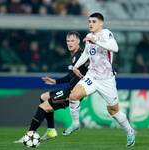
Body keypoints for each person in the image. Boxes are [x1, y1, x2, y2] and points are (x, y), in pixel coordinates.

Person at [62, 13, 137, 147]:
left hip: (106, 79)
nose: (91, 24)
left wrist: (96, 42)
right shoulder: (89, 36)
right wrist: (76, 66)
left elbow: (115, 48)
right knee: (73, 96)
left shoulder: (106, 33)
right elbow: (86, 54)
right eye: (89, 21)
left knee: (114, 112)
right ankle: (75, 124)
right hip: (92, 76)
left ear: (101, 23)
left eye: (94, 21)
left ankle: (130, 132)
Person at [14, 31, 89, 143]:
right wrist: (55, 81)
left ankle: (29, 135)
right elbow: (70, 76)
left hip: (73, 93)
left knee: (43, 107)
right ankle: (51, 130)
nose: (70, 43)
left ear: (78, 41)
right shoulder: (73, 56)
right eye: (68, 41)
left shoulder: (82, 55)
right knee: (43, 97)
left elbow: (91, 68)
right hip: (68, 88)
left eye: (72, 41)